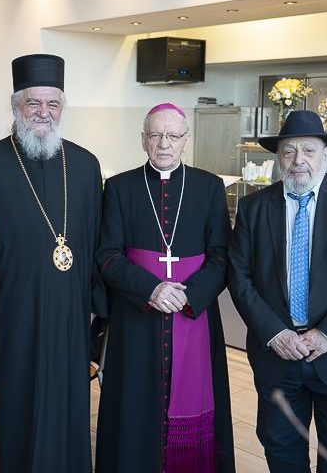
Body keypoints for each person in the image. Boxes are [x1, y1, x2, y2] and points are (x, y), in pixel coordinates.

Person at [0, 53, 104, 473]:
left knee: (65, 414)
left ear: (62, 108)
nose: (43, 112)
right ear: (16, 106)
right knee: (11, 417)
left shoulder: (85, 167)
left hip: (68, 323)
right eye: (33, 103)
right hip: (8, 322)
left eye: (53, 104)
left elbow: (100, 247)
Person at [228, 110, 327, 472]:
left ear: (326, 155)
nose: (298, 160)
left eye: (308, 150)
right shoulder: (254, 208)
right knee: (281, 450)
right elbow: (239, 277)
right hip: (277, 356)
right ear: (278, 157)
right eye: (288, 151)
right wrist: (275, 333)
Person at [95, 103, 235, 472]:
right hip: (136, 315)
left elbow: (222, 255)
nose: (164, 144)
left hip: (194, 313)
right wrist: (151, 290)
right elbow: (107, 255)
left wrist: (190, 294)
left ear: (186, 139)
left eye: (173, 135)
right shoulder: (119, 187)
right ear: (143, 139)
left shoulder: (209, 186)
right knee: (134, 405)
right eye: (155, 135)